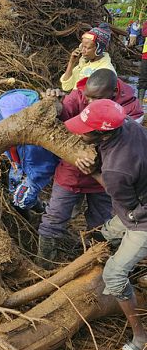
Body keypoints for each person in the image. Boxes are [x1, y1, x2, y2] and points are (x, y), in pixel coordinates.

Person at [66, 99, 147, 350]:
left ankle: (140, 339)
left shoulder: (115, 171)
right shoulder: (129, 125)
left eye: (86, 129)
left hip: (140, 218)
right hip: (137, 197)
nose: (81, 132)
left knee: (113, 273)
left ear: (101, 133)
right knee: (102, 237)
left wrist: (93, 170)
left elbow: (125, 202)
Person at [38, 70, 144, 264]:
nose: (88, 101)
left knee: (100, 223)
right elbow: (64, 118)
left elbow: (125, 148)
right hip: (71, 171)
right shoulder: (81, 94)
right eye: (87, 96)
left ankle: (93, 262)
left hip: (106, 178)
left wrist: (96, 166)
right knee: (54, 218)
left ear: (112, 93)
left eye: (95, 98)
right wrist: (55, 104)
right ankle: (45, 265)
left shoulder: (129, 107)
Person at [0, 89, 59, 214]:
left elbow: (45, 164)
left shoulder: (36, 138)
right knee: (13, 188)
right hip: (17, 163)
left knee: (21, 200)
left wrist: (34, 180)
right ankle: (32, 205)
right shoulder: (1, 113)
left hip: (36, 170)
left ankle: (40, 210)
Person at [60, 25, 115, 92]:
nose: (82, 51)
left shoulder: (106, 71)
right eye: (82, 46)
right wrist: (71, 63)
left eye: (87, 48)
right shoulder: (83, 63)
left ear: (99, 49)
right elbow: (66, 86)